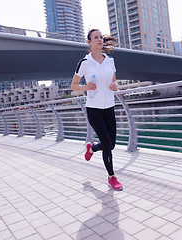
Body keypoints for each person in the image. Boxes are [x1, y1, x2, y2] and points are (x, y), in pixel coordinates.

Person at [71, 29, 122, 191]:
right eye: (96, 37)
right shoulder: (84, 63)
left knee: (111, 144)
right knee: (107, 144)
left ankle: (91, 148)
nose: (100, 39)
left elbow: (114, 82)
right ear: (89, 42)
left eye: (101, 37)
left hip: (110, 107)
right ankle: (112, 177)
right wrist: (86, 86)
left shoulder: (110, 61)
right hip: (94, 109)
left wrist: (115, 86)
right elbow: (73, 86)